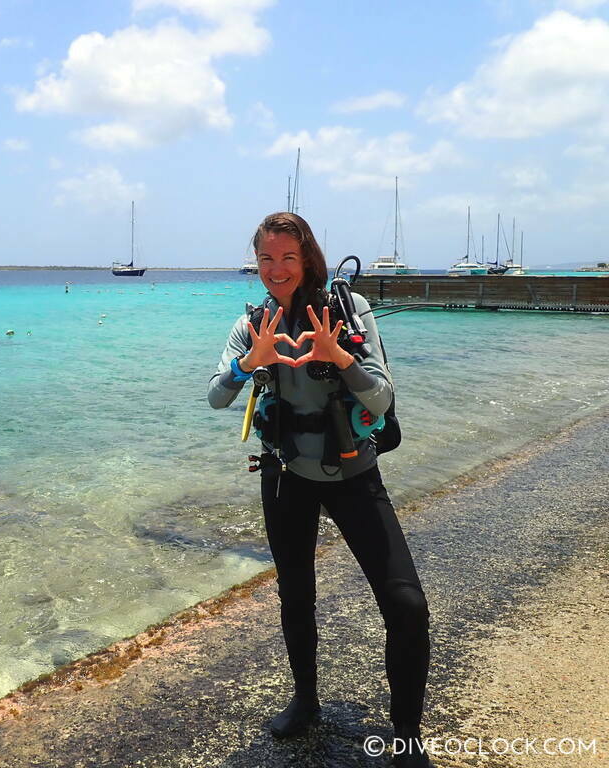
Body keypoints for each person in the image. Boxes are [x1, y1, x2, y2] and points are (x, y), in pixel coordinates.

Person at [207, 212, 432, 767]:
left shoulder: (347, 310)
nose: (276, 269)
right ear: (255, 263)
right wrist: (246, 364)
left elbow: (380, 399)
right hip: (286, 476)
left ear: (307, 256)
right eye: (266, 259)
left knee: (407, 606)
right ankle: (306, 701)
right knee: (296, 596)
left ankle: (406, 737)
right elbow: (216, 397)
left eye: (288, 257)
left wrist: (341, 357)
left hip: (354, 472)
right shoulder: (252, 324)